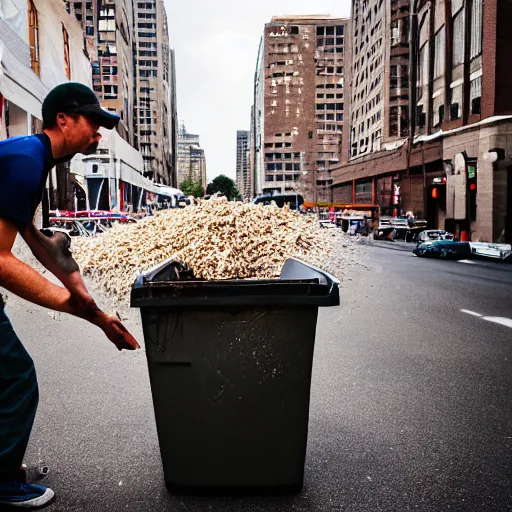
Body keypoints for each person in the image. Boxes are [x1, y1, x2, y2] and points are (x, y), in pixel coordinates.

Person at [0, 83, 140, 509]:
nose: (99, 135)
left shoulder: (33, 157)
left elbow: (43, 244)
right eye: (94, 123)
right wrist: (71, 305)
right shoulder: (25, 161)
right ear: (64, 119)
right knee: (16, 379)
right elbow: (0, 259)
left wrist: (95, 312)